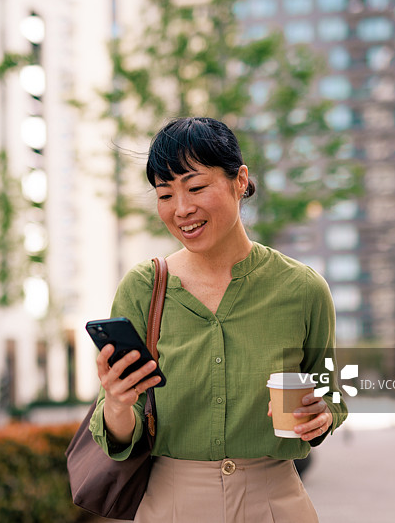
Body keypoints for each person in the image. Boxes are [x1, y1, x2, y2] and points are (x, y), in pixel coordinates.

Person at [89, 117, 348, 522]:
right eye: (164, 195)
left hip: (275, 503)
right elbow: (119, 432)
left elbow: (331, 395)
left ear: (239, 181)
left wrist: (321, 417)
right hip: (170, 505)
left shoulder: (303, 290)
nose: (181, 209)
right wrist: (119, 405)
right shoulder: (143, 289)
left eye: (195, 187)